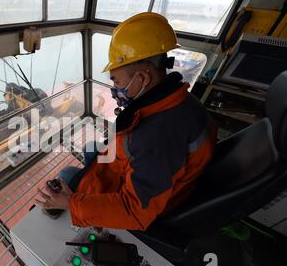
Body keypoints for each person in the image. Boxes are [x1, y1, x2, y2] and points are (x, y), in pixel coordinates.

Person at [35, 12, 217, 231]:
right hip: (136, 169)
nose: (115, 90)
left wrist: (70, 203)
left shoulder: (155, 137)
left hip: (126, 193)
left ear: (143, 78)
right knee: (91, 148)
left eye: (117, 81)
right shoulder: (182, 101)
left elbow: (134, 210)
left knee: (66, 175)